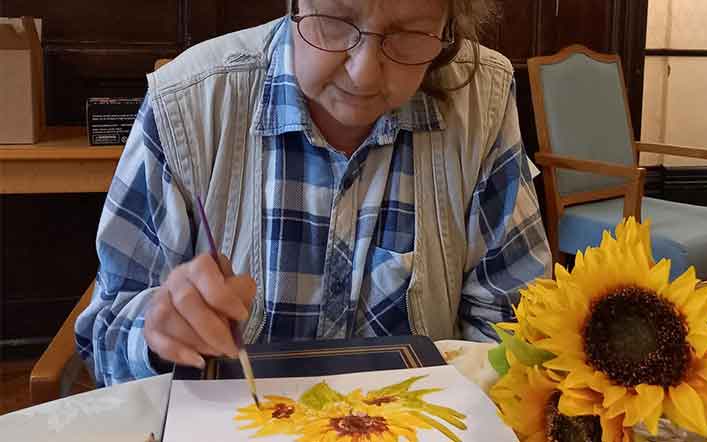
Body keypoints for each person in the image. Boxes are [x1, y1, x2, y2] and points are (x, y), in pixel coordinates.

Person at [75, 0, 552, 386]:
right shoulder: (188, 104)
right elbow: (105, 333)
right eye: (336, 21)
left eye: (408, 33)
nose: (364, 73)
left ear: (449, 30)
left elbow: (511, 325)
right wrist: (157, 335)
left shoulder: (482, 99)